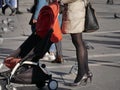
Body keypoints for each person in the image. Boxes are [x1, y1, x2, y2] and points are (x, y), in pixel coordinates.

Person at [60, 0, 93, 86]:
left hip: (75, 12)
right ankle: (86, 71)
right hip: (76, 11)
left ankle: (81, 74)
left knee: (78, 42)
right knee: (79, 42)